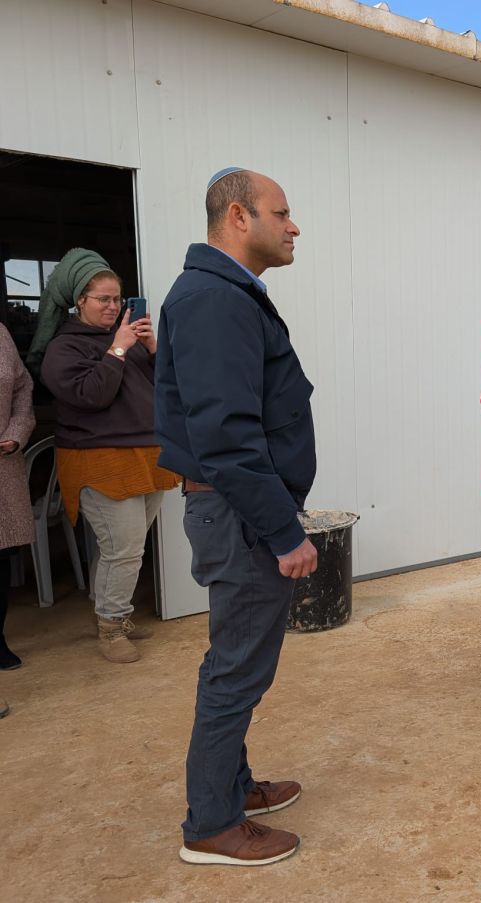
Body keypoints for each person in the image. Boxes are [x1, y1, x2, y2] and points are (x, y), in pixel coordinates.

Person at [155, 167, 318, 866]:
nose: (294, 225)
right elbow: (226, 435)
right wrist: (283, 530)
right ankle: (212, 823)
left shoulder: (224, 294)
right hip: (240, 514)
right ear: (237, 217)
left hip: (237, 507)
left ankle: (234, 784)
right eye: (280, 212)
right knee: (236, 669)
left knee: (239, 661)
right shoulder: (214, 299)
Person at [35, 249, 179, 663]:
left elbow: (168, 388)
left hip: (147, 456)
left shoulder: (129, 338)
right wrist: (117, 348)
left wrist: (152, 349)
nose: (113, 307)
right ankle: (111, 627)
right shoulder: (63, 349)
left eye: (117, 299)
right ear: (79, 300)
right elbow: (93, 395)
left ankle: (115, 615)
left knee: (122, 546)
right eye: (103, 299)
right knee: (124, 549)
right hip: (98, 459)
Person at [1, 322, 36, 705]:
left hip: (2, 458)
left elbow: (23, 387)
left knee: (1, 556)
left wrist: (16, 430)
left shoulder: (1, 334)